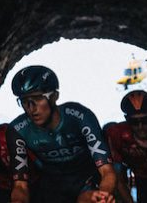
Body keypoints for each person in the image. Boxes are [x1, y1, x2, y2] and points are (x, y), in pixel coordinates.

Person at [8, 65, 117, 203]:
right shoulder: (17, 129)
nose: (31, 108)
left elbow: (107, 171)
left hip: (86, 178)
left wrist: (104, 195)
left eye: (37, 98)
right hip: (52, 184)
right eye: (24, 101)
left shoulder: (79, 116)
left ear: (54, 96)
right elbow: (20, 186)